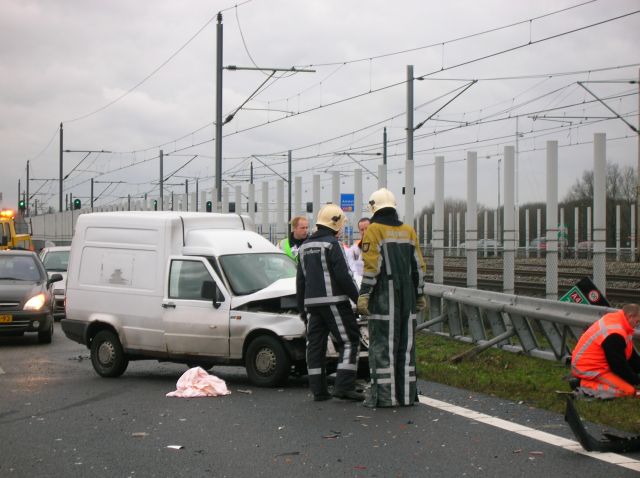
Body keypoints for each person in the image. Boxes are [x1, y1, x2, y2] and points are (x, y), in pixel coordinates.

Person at [356, 188, 427, 407]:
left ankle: (385, 397)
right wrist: (420, 293)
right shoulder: (409, 230)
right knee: (405, 347)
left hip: (384, 297)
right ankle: (406, 396)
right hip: (407, 296)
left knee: (382, 347)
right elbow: (419, 266)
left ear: (373, 207)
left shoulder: (374, 230)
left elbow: (372, 267)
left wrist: (364, 295)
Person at [296, 203, 363, 402]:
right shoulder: (332, 244)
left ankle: (319, 390)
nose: (341, 229)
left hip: (311, 305)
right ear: (335, 224)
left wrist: (302, 309)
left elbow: (300, 281)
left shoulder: (304, 247)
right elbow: (343, 276)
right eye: (340, 225)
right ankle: (344, 386)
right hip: (334, 302)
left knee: (315, 346)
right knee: (350, 340)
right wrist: (358, 300)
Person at [571, 303, 640, 398]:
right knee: (629, 391)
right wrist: (636, 380)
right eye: (637, 322)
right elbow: (618, 365)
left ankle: (588, 381)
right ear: (630, 317)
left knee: (628, 381)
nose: (637, 325)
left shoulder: (619, 322)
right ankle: (582, 383)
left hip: (596, 365)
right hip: (588, 368)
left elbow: (631, 356)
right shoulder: (615, 334)